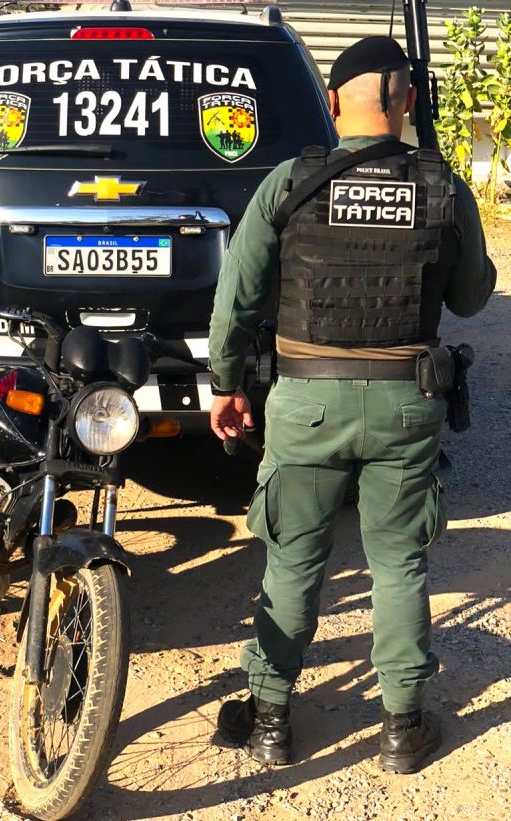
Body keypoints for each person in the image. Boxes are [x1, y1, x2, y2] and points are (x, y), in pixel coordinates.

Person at [207, 36, 496, 774]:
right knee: (399, 564)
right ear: (408, 102)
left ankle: (271, 721)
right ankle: (402, 730)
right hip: (407, 404)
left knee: (293, 562)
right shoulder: (443, 186)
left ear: (333, 102)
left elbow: (236, 299)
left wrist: (227, 383)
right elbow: (471, 298)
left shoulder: (289, 182)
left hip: (305, 403)